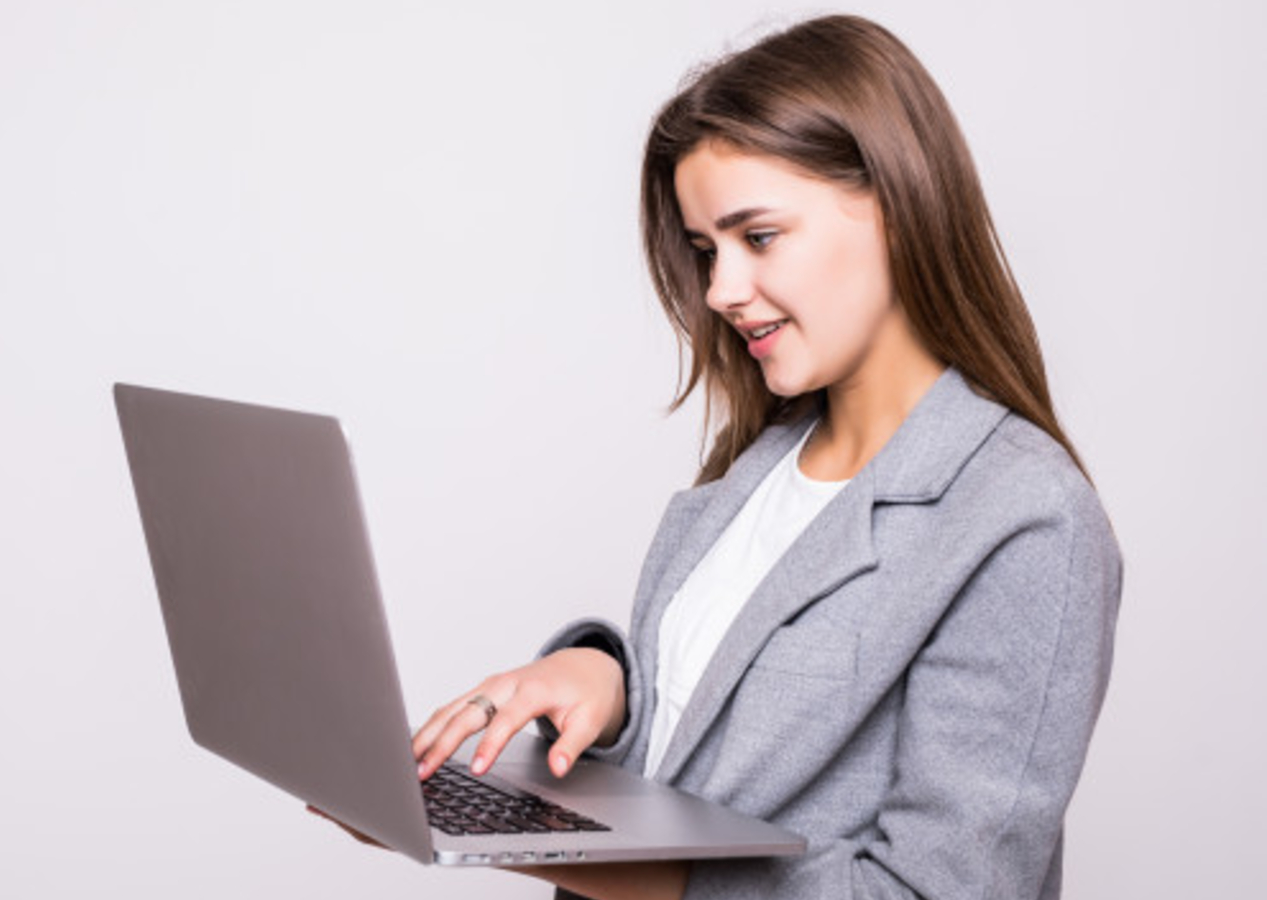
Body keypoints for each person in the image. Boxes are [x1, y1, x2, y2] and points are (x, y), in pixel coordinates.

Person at [343, 14, 1122, 900]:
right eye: (707, 250)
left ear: (898, 208)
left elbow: (937, 892)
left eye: (758, 239)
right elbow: (715, 738)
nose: (720, 292)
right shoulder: (758, 462)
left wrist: (568, 856)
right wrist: (605, 680)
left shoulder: (1026, 520)